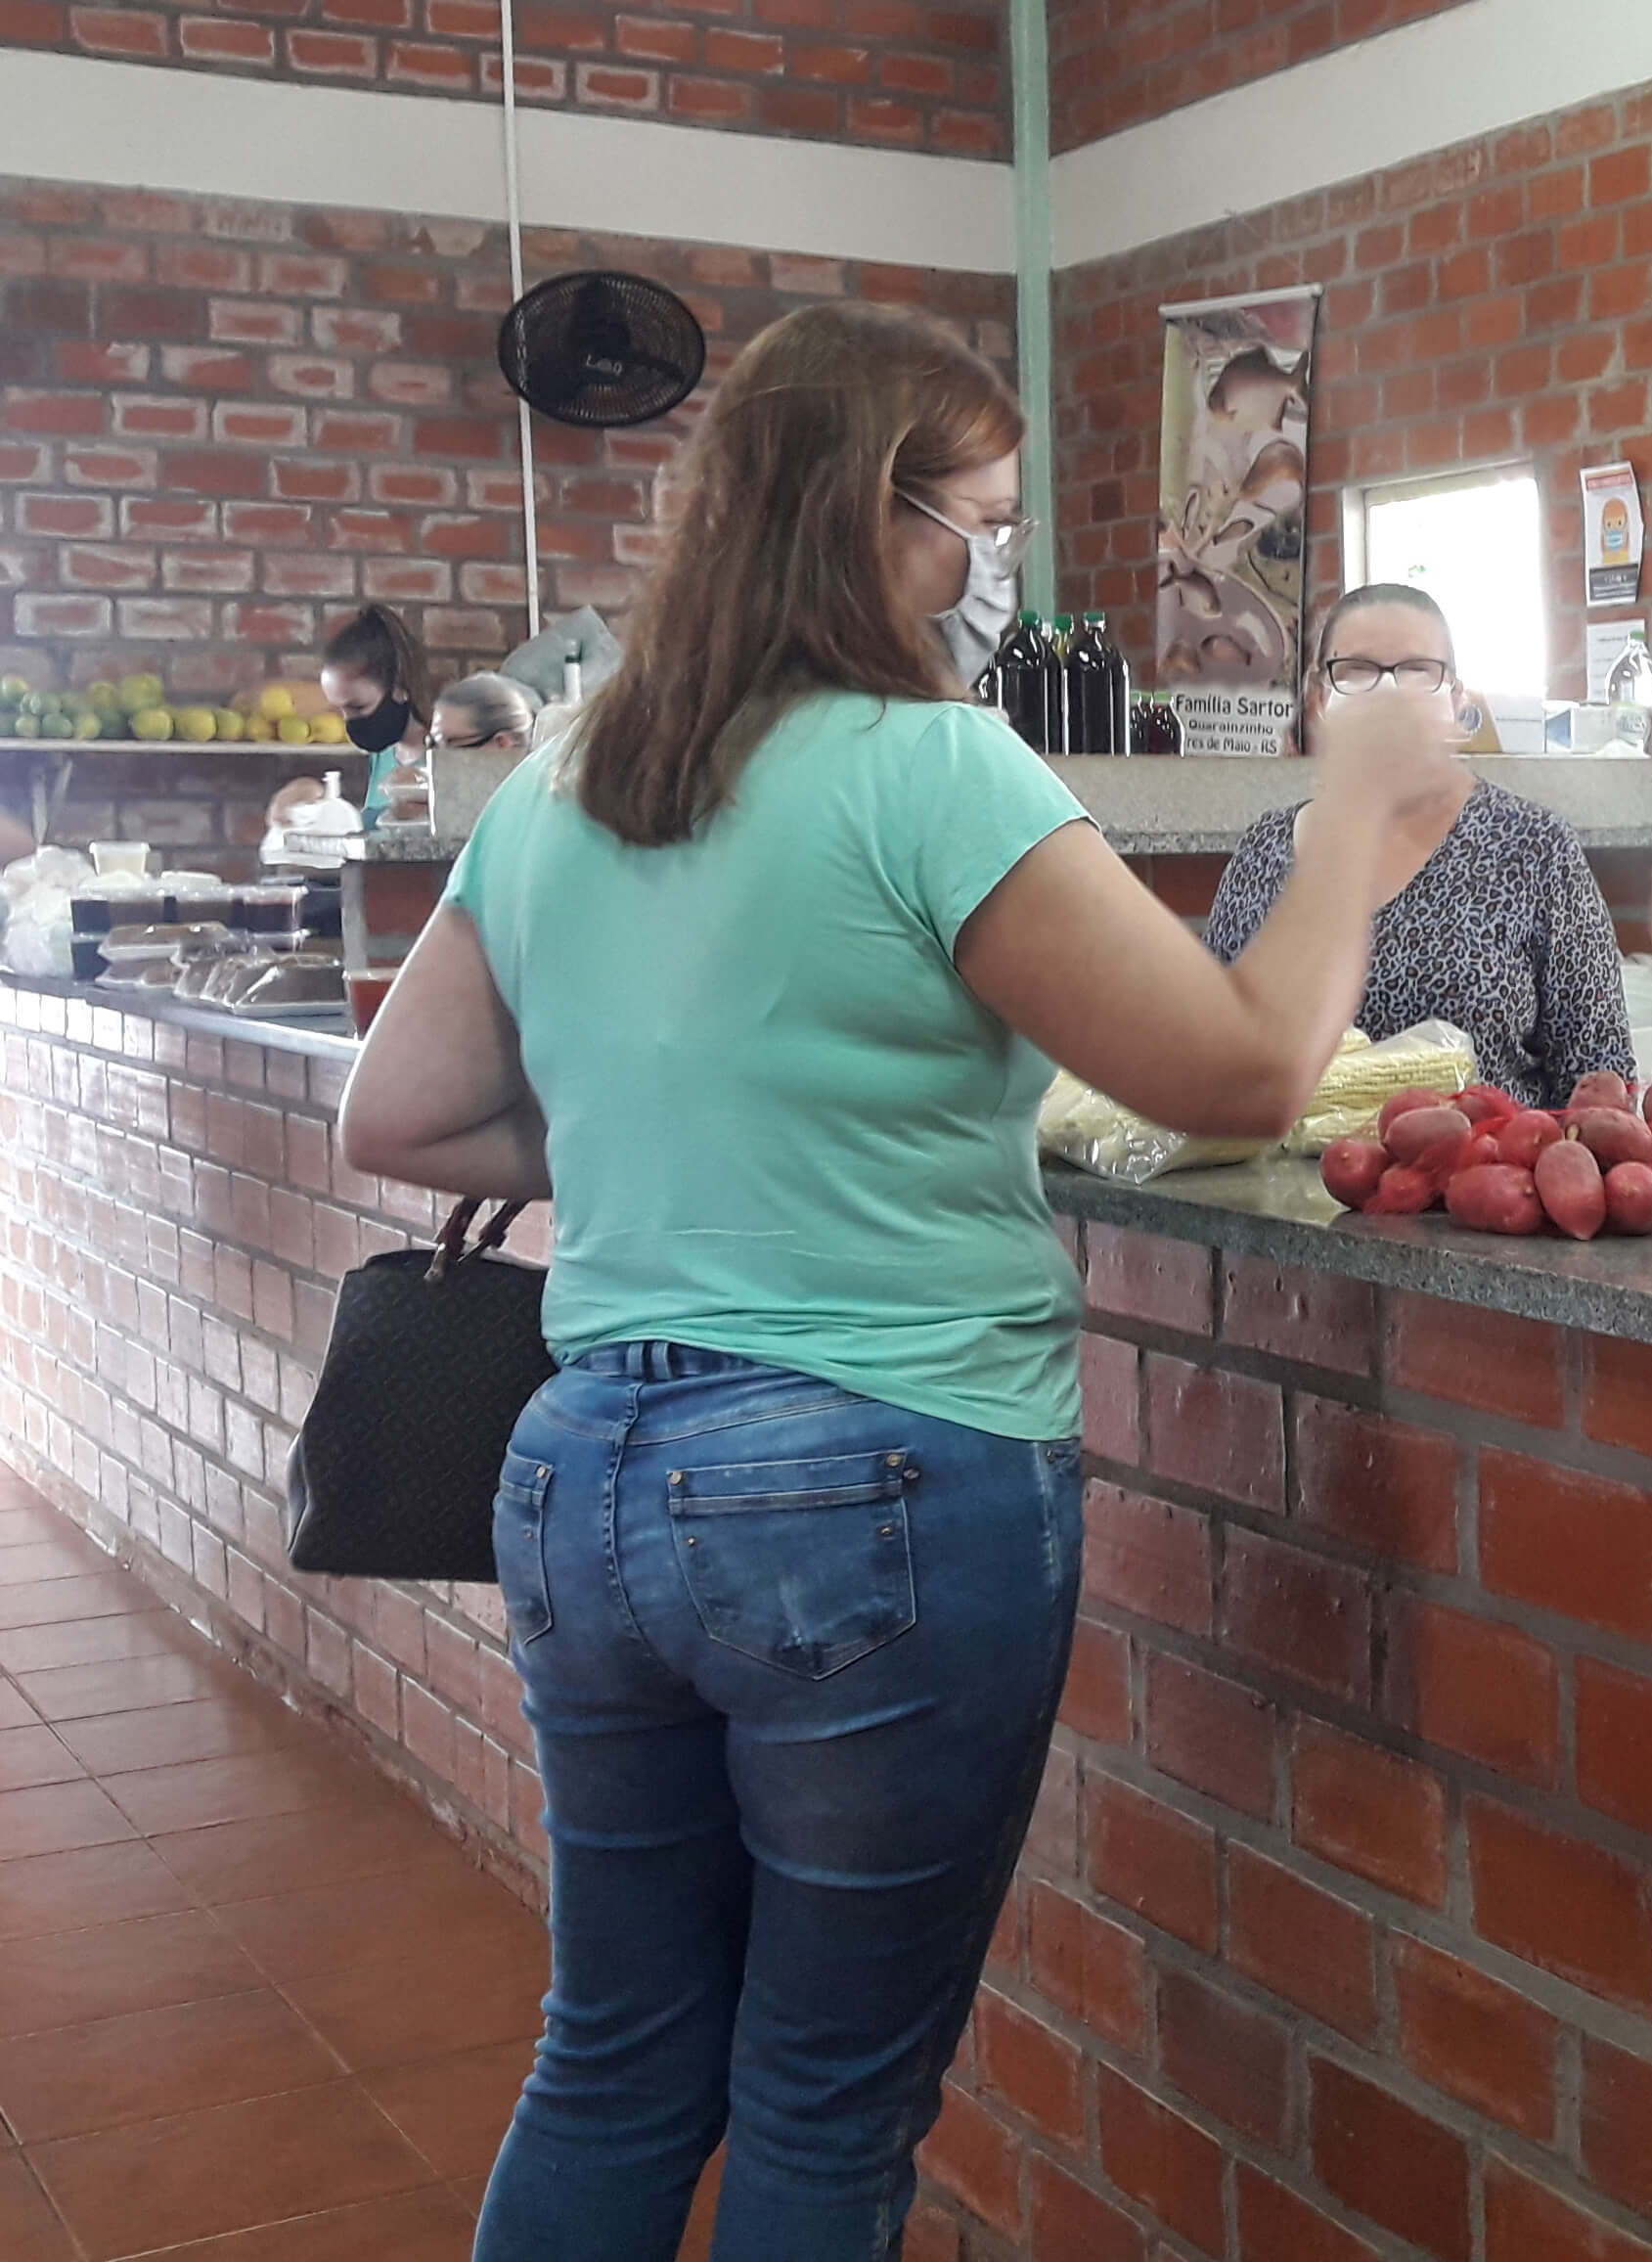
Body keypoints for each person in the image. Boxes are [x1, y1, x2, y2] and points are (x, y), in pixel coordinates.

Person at [335, 300, 1465, 2262]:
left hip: (584, 1469)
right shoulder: (934, 766)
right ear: (877, 515)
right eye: (984, 523)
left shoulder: (569, 776)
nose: (991, 569)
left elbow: (403, 1110)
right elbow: (1239, 1072)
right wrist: (1357, 819)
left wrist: (692, 1140)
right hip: (870, 1475)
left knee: (612, 2060)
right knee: (822, 2096)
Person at [1204, 583, 1632, 1109]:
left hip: (1482, 1161)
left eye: (1416, 669)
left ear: (1456, 700)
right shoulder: (1262, 853)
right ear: (1318, 700)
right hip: (1275, 1164)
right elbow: (1210, 1049)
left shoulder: (1535, 850)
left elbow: (1600, 1078)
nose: (1389, 692)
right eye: (1356, 670)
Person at [317, 602, 435, 831]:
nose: (350, 722)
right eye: (340, 710)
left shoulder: (448, 753)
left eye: (358, 707)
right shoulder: (383, 754)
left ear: (398, 685)